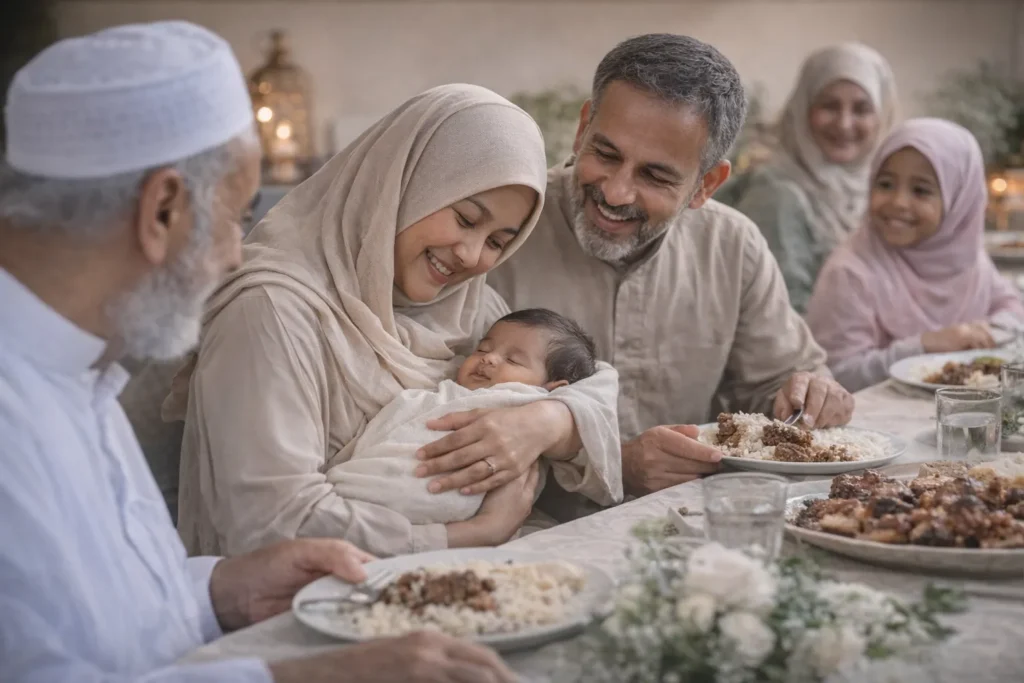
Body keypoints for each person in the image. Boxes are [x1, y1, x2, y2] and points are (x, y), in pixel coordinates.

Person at [0, 21, 519, 683]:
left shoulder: (79, 369)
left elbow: (104, 617)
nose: (234, 254)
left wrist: (219, 590)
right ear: (162, 208)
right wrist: (308, 675)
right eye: (234, 216)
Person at [162, 83, 623, 559]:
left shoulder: (470, 309)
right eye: (465, 219)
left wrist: (550, 419)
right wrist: (469, 535)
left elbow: (589, 382)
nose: (470, 256)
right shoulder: (271, 312)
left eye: (497, 242)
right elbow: (268, 524)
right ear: (401, 184)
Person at [485, 33, 854, 505]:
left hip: (695, 522)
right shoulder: (504, 229)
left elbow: (777, 384)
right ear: (582, 130)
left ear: (707, 185)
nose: (616, 193)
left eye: (655, 176)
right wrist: (614, 461)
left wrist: (811, 394)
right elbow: (444, 410)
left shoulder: (732, 246)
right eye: (606, 153)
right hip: (524, 529)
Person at [327, 308, 615, 525]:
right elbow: (384, 430)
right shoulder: (436, 394)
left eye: (512, 360)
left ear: (552, 388)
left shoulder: (526, 404)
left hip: (438, 493)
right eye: (483, 349)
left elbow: (602, 381)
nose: (488, 358)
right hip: (370, 477)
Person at [806, 118, 1024, 392]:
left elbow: (1015, 309)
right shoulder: (850, 271)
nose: (898, 202)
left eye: (921, 190)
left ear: (960, 202)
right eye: (885, 184)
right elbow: (835, 376)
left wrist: (978, 334)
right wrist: (924, 345)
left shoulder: (968, 260)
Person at [722, 43, 897, 314]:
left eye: (861, 109)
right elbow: (779, 317)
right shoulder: (776, 194)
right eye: (829, 106)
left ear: (881, 118)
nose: (844, 123)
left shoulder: (886, 190)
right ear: (803, 109)